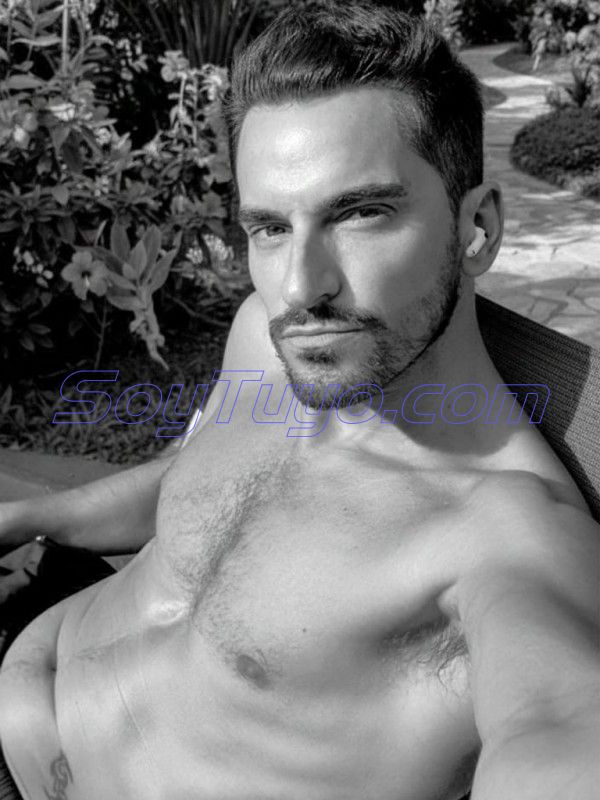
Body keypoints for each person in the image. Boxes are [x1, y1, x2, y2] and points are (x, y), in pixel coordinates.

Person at [0, 3, 598, 799]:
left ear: (478, 228)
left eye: (360, 213)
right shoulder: (264, 336)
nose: (299, 289)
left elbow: (557, 724)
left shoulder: (509, 536)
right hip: (31, 633)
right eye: (270, 228)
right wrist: (31, 517)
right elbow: (197, 477)